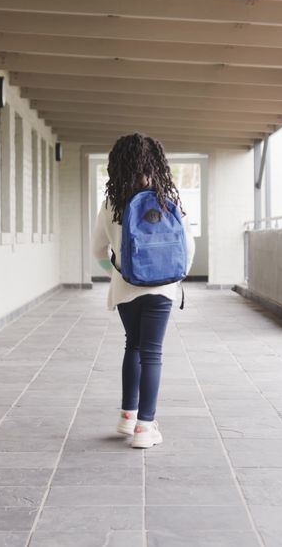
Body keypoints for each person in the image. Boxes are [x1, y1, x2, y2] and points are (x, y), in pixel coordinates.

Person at [90, 133, 195, 449]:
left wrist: (120, 275)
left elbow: (97, 251)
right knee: (152, 352)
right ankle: (145, 429)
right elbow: (188, 248)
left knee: (133, 346)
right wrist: (173, 277)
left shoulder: (112, 204)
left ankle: (127, 417)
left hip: (126, 288)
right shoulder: (170, 201)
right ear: (157, 165)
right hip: (162, 289)